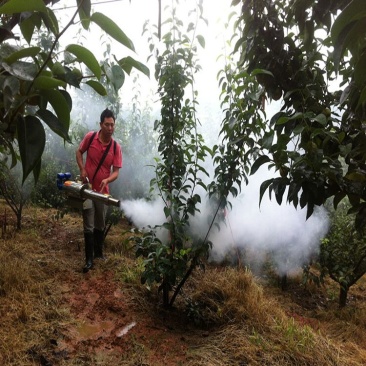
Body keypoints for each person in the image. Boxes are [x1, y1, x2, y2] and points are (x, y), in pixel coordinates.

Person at [76, 108, 122, 273]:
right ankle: (89, 260)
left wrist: (108, 179)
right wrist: (82, 169)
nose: (110, 128)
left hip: (103, 193)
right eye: (107, 125)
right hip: (87, 188)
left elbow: (116, 171)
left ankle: (99, 253)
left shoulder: (116, 147)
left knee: (100, 223)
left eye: (112, 125)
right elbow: (79, 152)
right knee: (88, 221)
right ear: (101, 124)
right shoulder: (90, 137)